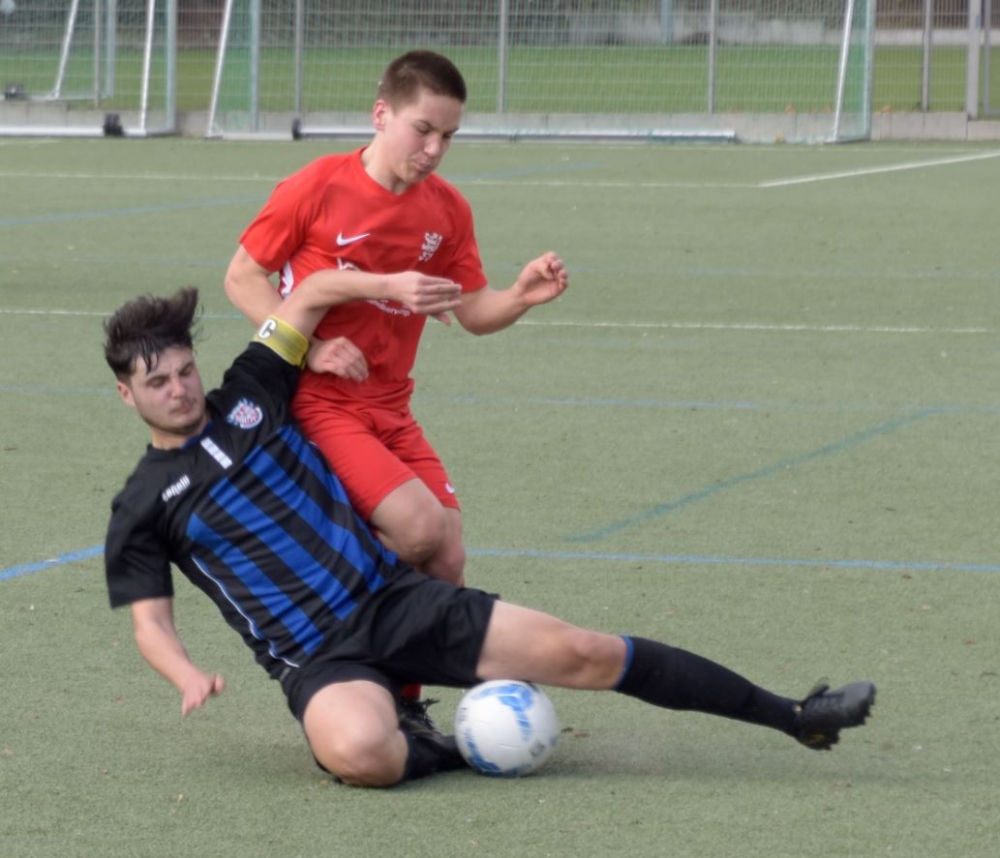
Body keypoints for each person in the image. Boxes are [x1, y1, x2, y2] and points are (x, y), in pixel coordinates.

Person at [103, 284, 877, 788]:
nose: (178, 391)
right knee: (358, 754)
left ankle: (795, 717)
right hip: (316, 657)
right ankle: (439, 741)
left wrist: (384, 289)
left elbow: (307, 295)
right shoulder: (140, 505)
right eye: (157, 382)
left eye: (182, 371)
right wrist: (184, 674)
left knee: (586, 652)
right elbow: (151, 622)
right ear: (125, 392)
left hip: (396, 598)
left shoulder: (251, 392)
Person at [223, 49, 569, 591]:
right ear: (381, 115)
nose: (434, 150)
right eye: (423, 130)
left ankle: (400, 676)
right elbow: (242, 277)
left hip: (391, 406)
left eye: (448, 137)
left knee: (448, 559)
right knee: (420, 530)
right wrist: (309, 349)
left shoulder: (448, 211)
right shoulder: (315, 187)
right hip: (320, 400)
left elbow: (474, 312)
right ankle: (308, 579)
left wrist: (520, 296)